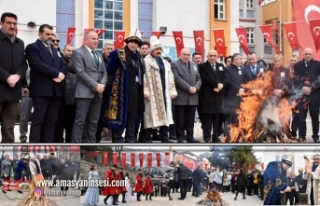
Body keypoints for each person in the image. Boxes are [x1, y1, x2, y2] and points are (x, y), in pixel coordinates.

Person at [25, 24, 67, 143]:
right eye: (47, 34)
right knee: (38, 120)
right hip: (41, 90)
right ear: (39, 34)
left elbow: (64, 64)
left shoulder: (55, 50)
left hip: (55, 91)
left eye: (51, 34)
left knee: (51, 122)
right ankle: (34, 145)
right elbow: (37, 64)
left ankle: (48, 144)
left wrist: (62, 75)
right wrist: (56, 74)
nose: (50, 37)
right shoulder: (32, 47)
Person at [105, 29, 145, 143]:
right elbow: (110, 71)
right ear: (127, 42)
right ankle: (117, 139)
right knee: (120, 114)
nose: (133, 44)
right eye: (131, 41)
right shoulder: (118, 53)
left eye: (136, 43)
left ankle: (130, 138)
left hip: (136, 90)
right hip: (121, 90)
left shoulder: (139, 56)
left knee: (133, 115)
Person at [71, 30, 107, 143]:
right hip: (84, 93)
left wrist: (102, 84)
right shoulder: (78, 53)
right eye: (93, 38)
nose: (96, 41)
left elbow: (104, 72)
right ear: (85, 40)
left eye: (97, 39)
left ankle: (90, 146)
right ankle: (76, 146)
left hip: (98, 93)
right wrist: (95, 85)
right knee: (80, 121)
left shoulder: (98, 54)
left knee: (93, 122)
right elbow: (80, 72)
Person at [0, 12, 28, 143]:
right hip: (1, 87)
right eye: (9, 23)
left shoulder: (20, 43)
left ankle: (8, 156)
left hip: (13, 91)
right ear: (1, 24)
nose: (12, 26)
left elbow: (23, 63)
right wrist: (7, 77)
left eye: (14, 23)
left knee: (9, 128)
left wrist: (17, 76)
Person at [143, 36, 177, 143]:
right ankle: (148, 138)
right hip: (152, 92)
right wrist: (146, 91)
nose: (159, 51)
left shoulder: (165, 63)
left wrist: (172, 91)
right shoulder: (146, 61)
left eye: (160, 49)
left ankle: (164, 137)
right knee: (149, 116)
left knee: (166, 115)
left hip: (165, 92)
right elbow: (143, 77)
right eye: (157, 49)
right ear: (152, 50)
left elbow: (171, 77)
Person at [171, 48, 202, 143]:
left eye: (188, 55)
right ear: (180, 54)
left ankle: (190, 136)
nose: (186, 56)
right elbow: (176, 78)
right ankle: (180, 137)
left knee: (190, 119)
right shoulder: (174, 64)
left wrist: (196, 87)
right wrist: (188, 87)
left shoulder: (194, 65)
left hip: (193, 97)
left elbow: (199, 79)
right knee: (179, 119)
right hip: (181, 96)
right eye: (184, 54)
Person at [198, 49, 225, 143]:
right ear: (207, 56)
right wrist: (216, 84)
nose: (212, 57)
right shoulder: (202, 66)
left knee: (217, 118)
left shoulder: (221, 66)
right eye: (211, 55)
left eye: (214, 55)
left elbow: (225, 78)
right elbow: (205, 79)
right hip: (207, 96)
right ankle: (207, 137)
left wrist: (221, 85)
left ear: (217, 56)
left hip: (218, 97)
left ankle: (215, 136)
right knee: (207, 119)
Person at [293, 48, 320, 143]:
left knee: (315, 116)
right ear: (303, 55)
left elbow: (319, 78)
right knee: (301, 117)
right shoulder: (297, 65)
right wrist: (303, 87)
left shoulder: (318, 64)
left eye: (309, 54)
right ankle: (302, 136)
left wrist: (312, 87)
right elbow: (295, 78)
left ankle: (316, 136)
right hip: (301, 95)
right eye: (306, 54)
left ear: (312, 55)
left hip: (314, 95)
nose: (308, 55)